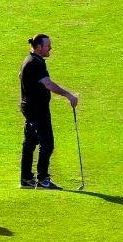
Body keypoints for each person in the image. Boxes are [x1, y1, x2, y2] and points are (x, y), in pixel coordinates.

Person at [20, 33, 79, 189]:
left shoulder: (30, 60)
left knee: (30, 142)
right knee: (47, 144)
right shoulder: (36, 63)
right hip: (37, 110)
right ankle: (42, 180)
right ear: (39, 47)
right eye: (48, 45)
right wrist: (68, 95)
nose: (50, 48)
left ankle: (26, 179)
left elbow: (21, 75)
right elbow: (48, 84)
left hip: (30, 107)